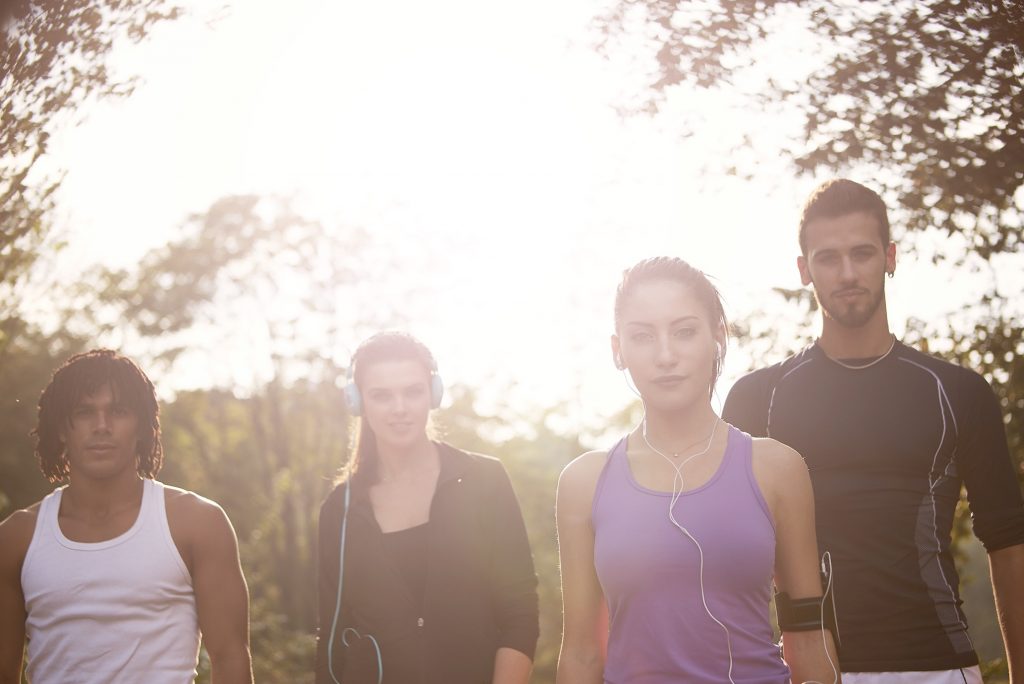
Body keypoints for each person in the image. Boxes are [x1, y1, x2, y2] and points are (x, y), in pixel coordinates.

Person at [723, 178, 1024, 683]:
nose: (847, 273)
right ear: (804, 270)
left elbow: (1009, 544)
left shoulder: (956, 392)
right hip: (807, 670)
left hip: (941, 668)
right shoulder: (758, 398)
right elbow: (725, 553)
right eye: (827, 258)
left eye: (862, 254)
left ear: (890, 256)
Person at [556, 256, 839, 684]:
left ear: (718, 338)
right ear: (619, 351)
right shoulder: (584, 482)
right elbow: (580, 653)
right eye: (643, 336)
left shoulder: (777, 469)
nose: (666, 355)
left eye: (685, 331)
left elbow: (808, 639)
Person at [0, 349, 253, 684]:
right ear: (61, 429)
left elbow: (231, 659)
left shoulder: (198, 523)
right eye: (84, 411)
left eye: (118, 411)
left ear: (142, 427)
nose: (102, 426)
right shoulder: (16, 538)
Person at [315, 332, 539, 684]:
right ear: (359, 403)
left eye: (413, 391)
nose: (399, 407)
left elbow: (520, 610)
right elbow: (331, 640)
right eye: (382, 395)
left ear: (433, 394)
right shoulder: (337, 512)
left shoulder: (484, 480)